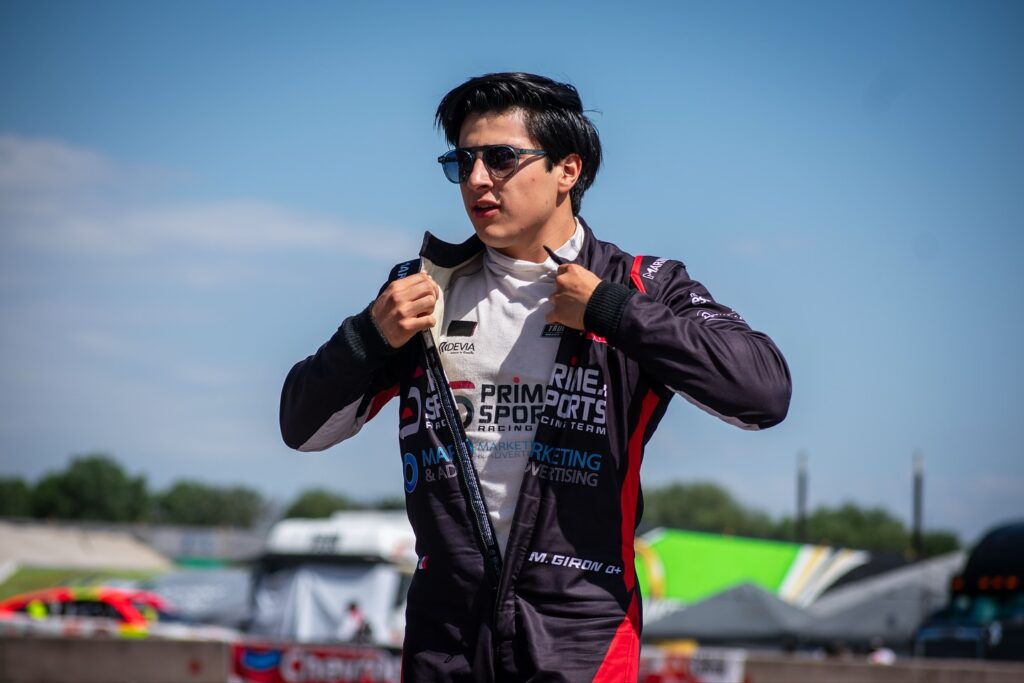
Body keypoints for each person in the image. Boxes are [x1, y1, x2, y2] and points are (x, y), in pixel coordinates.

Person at [281, 72, 791, 681]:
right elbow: (301, 428)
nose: (476, 179)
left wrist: (611, 311)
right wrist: (367, 335)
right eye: (462, 162)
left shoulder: (640, 285)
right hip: (446, 639)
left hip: (581, 635)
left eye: (501, 159)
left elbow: (763, 391)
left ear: (567, 170)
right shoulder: (421, 289)